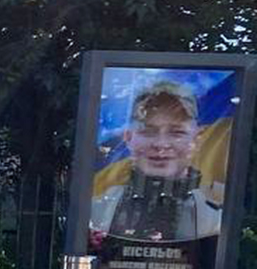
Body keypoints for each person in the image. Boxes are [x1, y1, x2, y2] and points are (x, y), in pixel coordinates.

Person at [90, 80, 221, 241]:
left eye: (177, 133)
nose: (161, 144)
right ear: (128, 137)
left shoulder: (218, 220)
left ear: (196, 140)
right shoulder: (95, 213)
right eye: (148, 132)